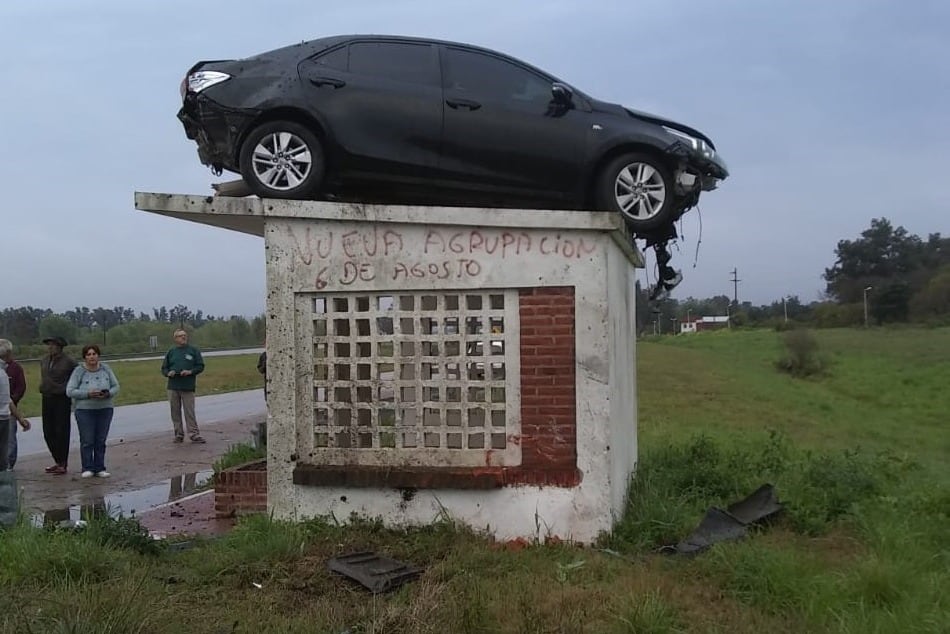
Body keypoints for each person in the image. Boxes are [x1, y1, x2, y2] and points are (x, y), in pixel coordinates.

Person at [66, 344, 120, 478]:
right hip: (85, 410)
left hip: (105, 408)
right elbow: (70, 391)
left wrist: (108, 393)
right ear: (84, 357)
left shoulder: (106, 368)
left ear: (98, 355)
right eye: (89, 354)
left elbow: (116, 386)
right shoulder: (79, 371)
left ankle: (100, 467)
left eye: (94, 354)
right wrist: (88, 394)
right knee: (87, 440)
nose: (92, 357)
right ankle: (87, 467)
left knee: (100, 440)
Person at [39, 336, 77, 475]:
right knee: (48, 431)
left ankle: (63, 463)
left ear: (60, 346)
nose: (50, 347)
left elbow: (77, 377)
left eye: (53, 345)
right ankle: (57, 460)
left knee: (61, 431)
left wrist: (69, 390)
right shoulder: (44, 360)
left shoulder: (69, 362)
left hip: (61, 399)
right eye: (49, 345)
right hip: (47, 397)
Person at [161, 329, 206, 443]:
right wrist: (168, 373)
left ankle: (194, 434)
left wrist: (190, 372)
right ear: (175, 338)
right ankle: (178, 434)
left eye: (185, 335)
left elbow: (200, 366)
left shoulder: (193, 350)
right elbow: (164, 368)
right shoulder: (171, 352)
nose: (183, 337)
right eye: (181, 336)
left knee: (189, 411)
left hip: (187, 386)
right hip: (173, 386)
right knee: (175, 412)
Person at [0, 339, 27, 469]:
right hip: (4, 413)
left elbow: (10, 397)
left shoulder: (11, 369)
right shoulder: (2, 374)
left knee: (8, 442)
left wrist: (19, 417)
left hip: (6, 413)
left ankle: (7, 466)